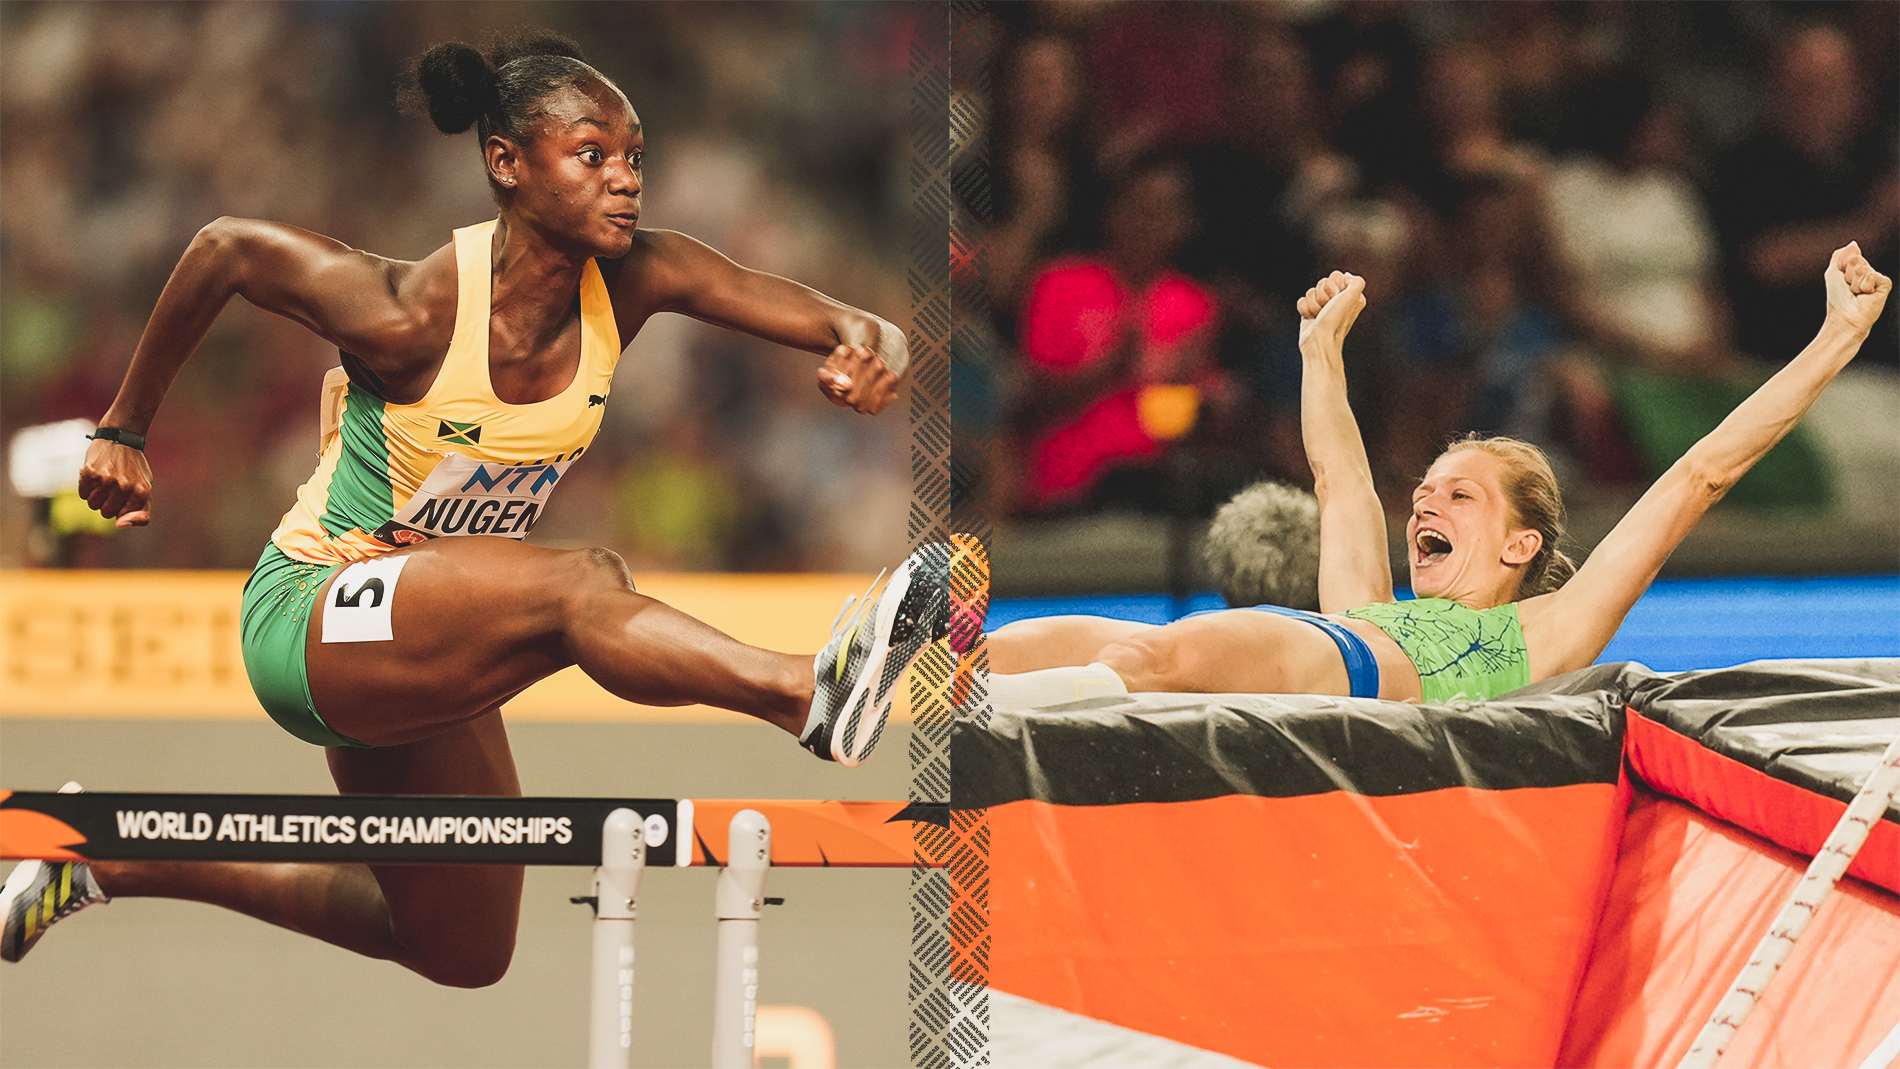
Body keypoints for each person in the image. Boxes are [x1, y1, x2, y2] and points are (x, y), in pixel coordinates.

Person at [0, 31, 960, 984]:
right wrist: (123, 432)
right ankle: (803, 692)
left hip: (422, 629)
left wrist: (868, 350)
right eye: (592, 156)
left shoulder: (641, 276)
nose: (625, 179)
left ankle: (108, 858)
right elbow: (226, 249)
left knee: (462, 947)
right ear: (506, 164)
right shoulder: (411, 311)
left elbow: (857, 320)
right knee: (584, 584)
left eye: (633, 158)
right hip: (311, 610)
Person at [986, 244, 1889, 710]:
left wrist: (1836, 339)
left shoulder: (1546, 631)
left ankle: (951, 729)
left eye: (1460, 493)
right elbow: (1341, 480)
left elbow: (1700, 472)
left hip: (1330, 677)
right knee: (1065, 633)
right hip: (1313, 668)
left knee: (1146, 653)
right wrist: (1318, 350)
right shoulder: (1363, 605)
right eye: (1426, 486)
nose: (1425, 497)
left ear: (1520, 542)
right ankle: (870, 688)